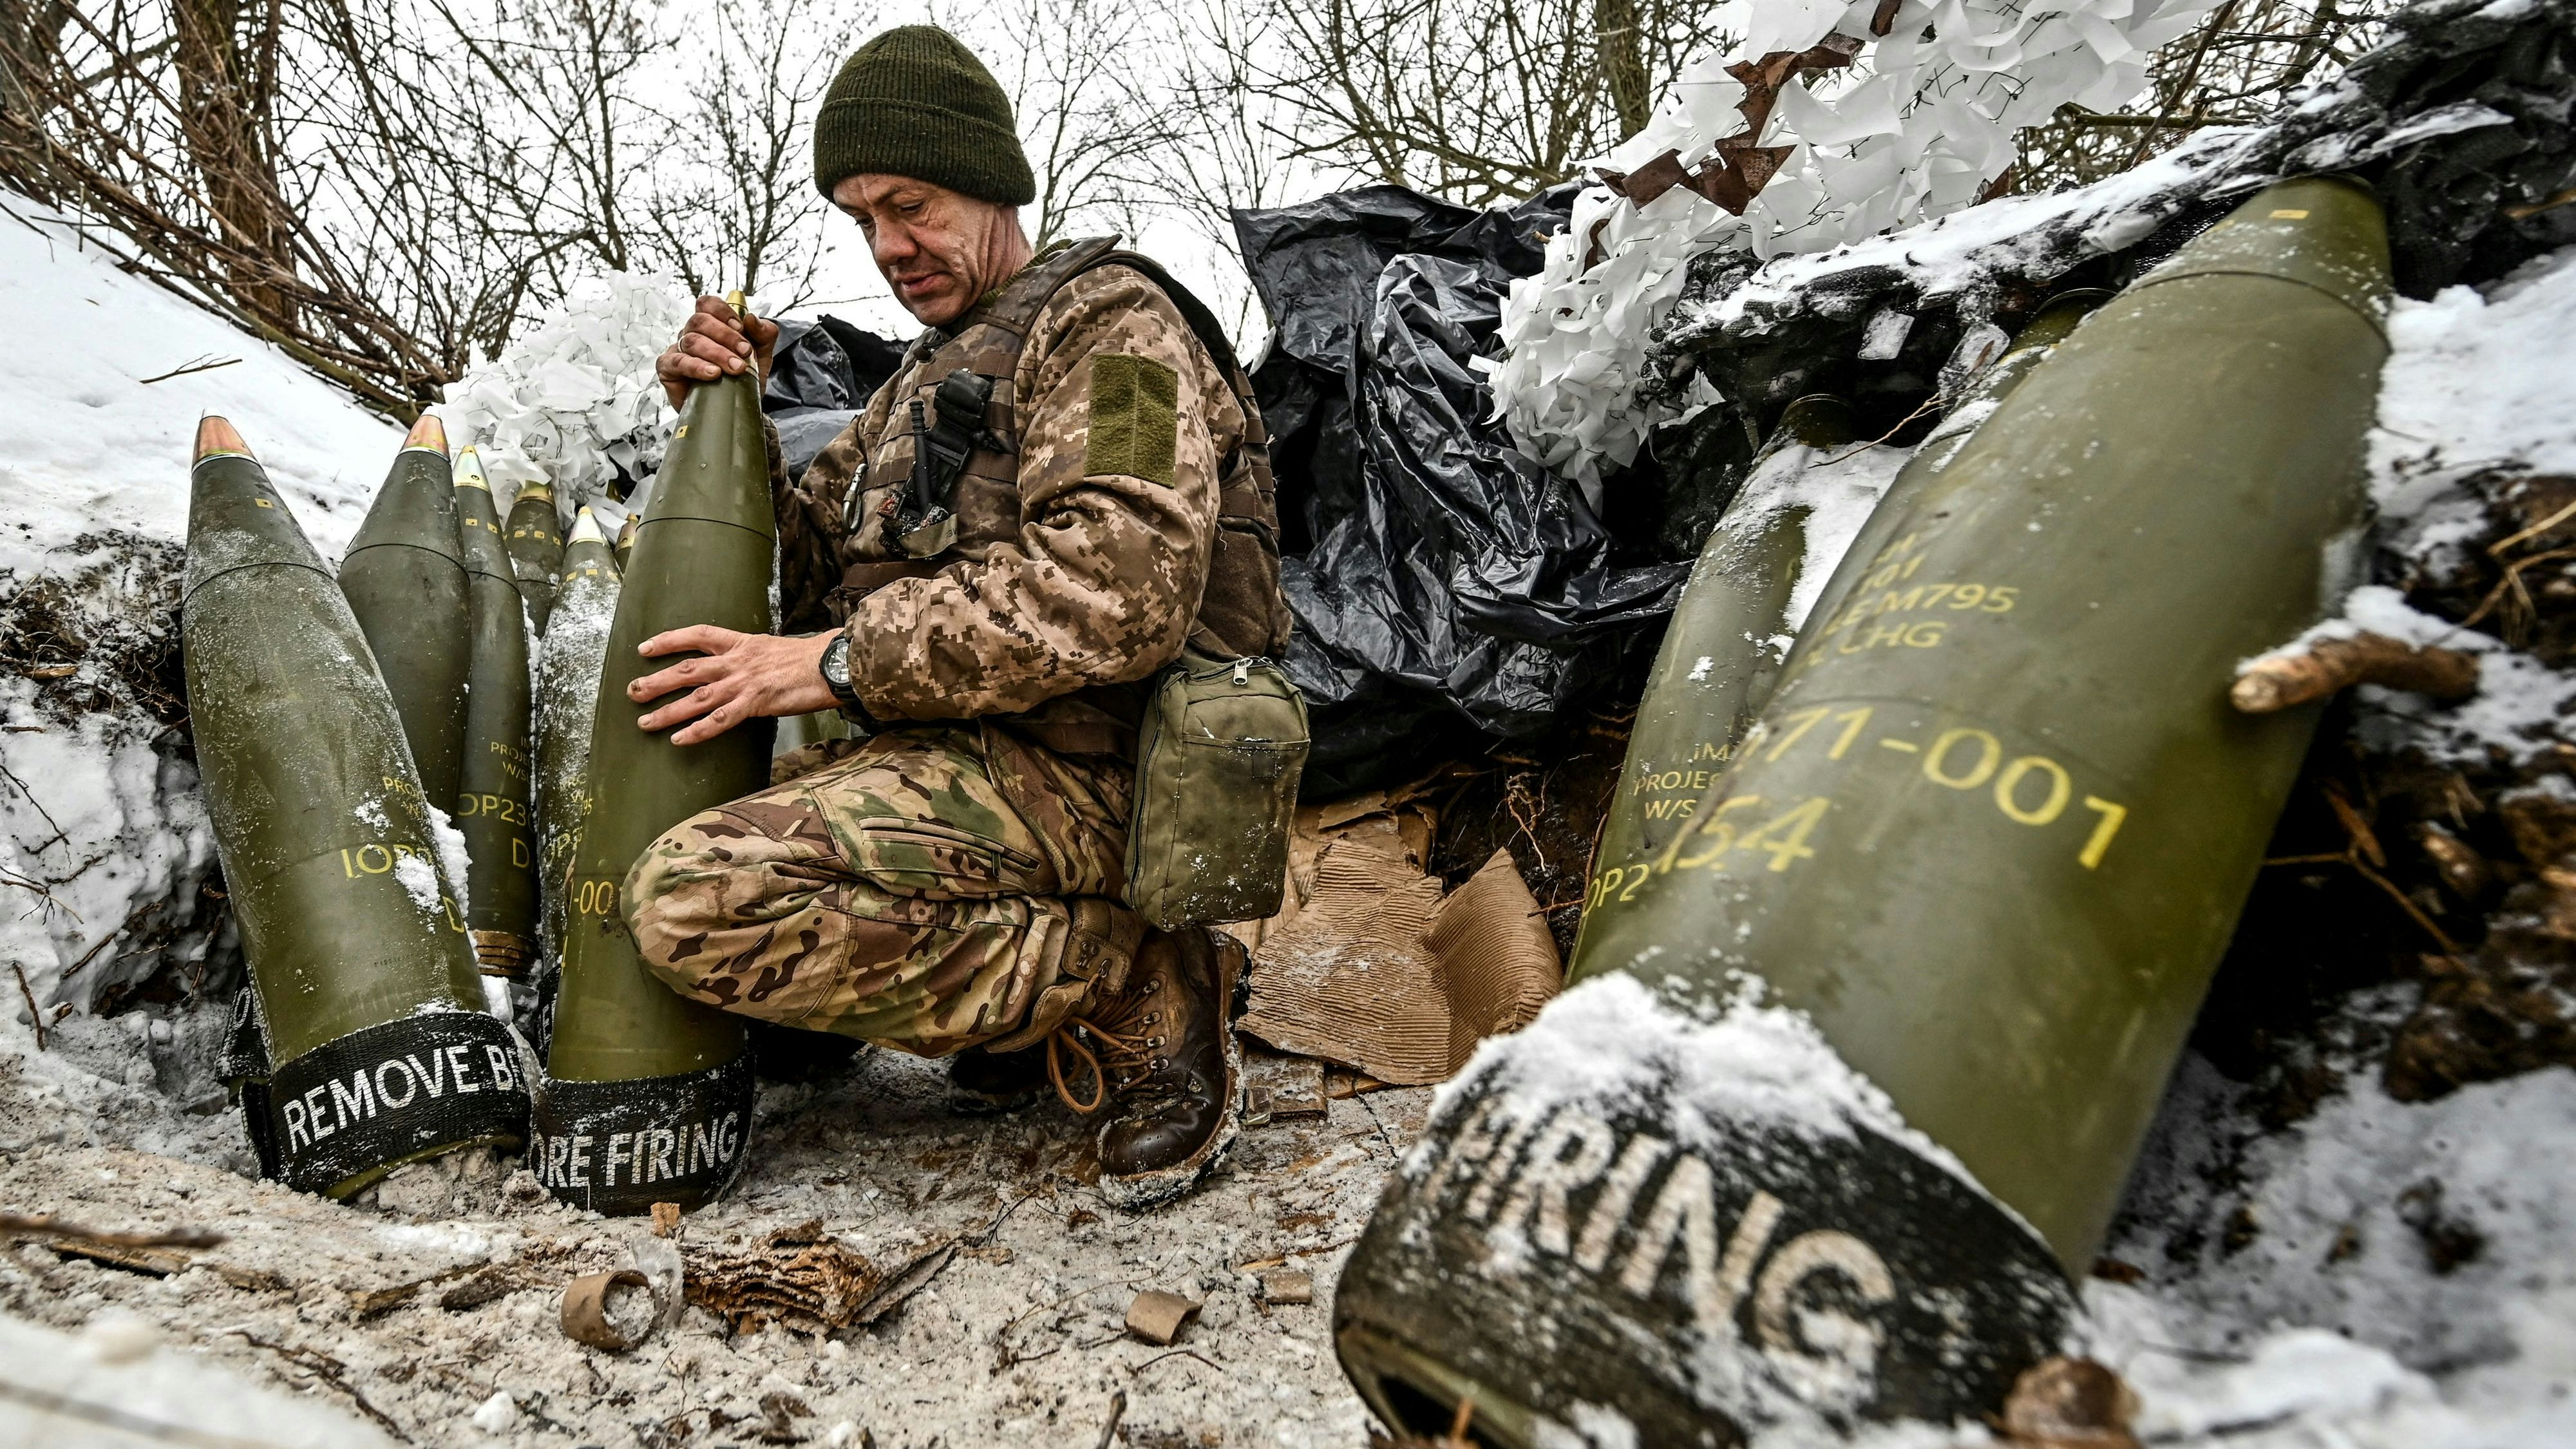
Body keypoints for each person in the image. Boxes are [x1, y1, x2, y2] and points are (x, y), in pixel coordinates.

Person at [629, 24, 1289, 1208]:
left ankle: (1130, 973)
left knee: (700, 900)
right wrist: (721, 426)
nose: (889, 245)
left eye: (911, 203)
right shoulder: (915, 388)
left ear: (990, 180)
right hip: (967, 762)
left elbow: (1122, 580)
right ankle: (1031, 1002)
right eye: (860, 218)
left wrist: (833, 664)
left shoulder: (1112, 325)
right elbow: (798, 574)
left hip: (1106, 769)